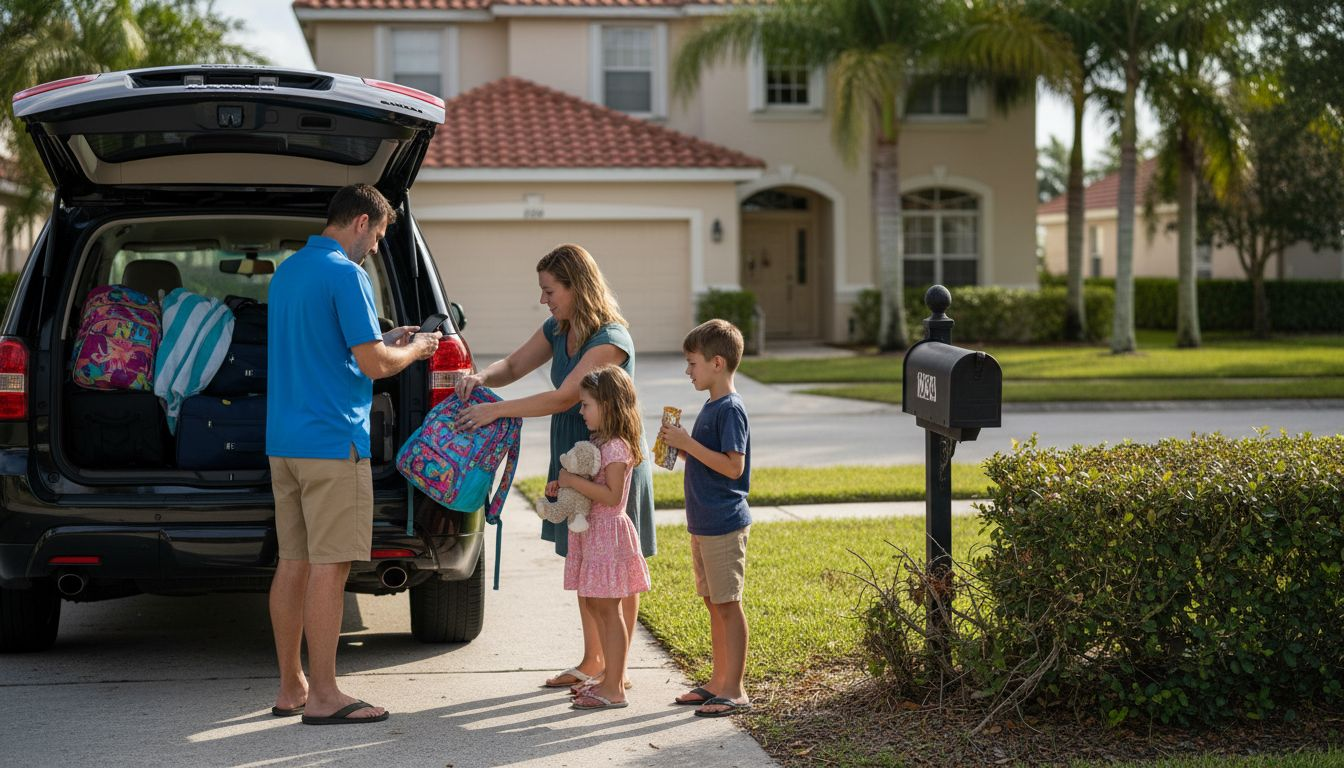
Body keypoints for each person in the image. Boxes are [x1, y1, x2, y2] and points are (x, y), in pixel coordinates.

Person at [266, 183, 441, 725]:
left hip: (285, 444)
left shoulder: (288, 272)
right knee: (330, 567)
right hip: (332, 442)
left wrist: (383, 336)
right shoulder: (347, 274)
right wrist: (415, 349)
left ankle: (292, 686)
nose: (377, 247)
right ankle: (325, 695)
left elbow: (331, 346)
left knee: (292, 561)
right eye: (380, 235)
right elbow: (374, 366)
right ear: (361, 221)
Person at [453, 243, 655, 693]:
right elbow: (514, 364)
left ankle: (616, 673)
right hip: (573, 459)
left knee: (615, 568)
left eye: (550, 290)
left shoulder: (611, 340)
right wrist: (483, 377)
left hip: (611, 467)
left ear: (576, 286)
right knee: (585, 561)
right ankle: (592, 661)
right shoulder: (557, 327)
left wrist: (497, 412)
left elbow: (566, 395)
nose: (544, 300)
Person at [657, 319, 753, 717]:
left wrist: (688, 443)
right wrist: (676, 447)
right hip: (703, 522)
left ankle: (736, 689)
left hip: (724, 522)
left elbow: (733, 467)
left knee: (728, 604)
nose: (687, 370)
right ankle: (717, 681)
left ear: (716, 362)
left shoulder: (731, 409)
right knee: (713, 603)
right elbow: (705, 459)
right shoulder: (712, 405)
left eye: (691, 363)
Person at [549, 365, 651, 709]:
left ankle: (615, 687)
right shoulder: (599, 443)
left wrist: (573, 482)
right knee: (595, 604)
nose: (581, 411)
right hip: (593, 533)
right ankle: (608, 676)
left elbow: (610, 496)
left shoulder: (619, 448)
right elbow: (591, 489)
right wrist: (564, 485)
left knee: (609, 609)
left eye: (586, 405)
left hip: (609, 533)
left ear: (608, 405)